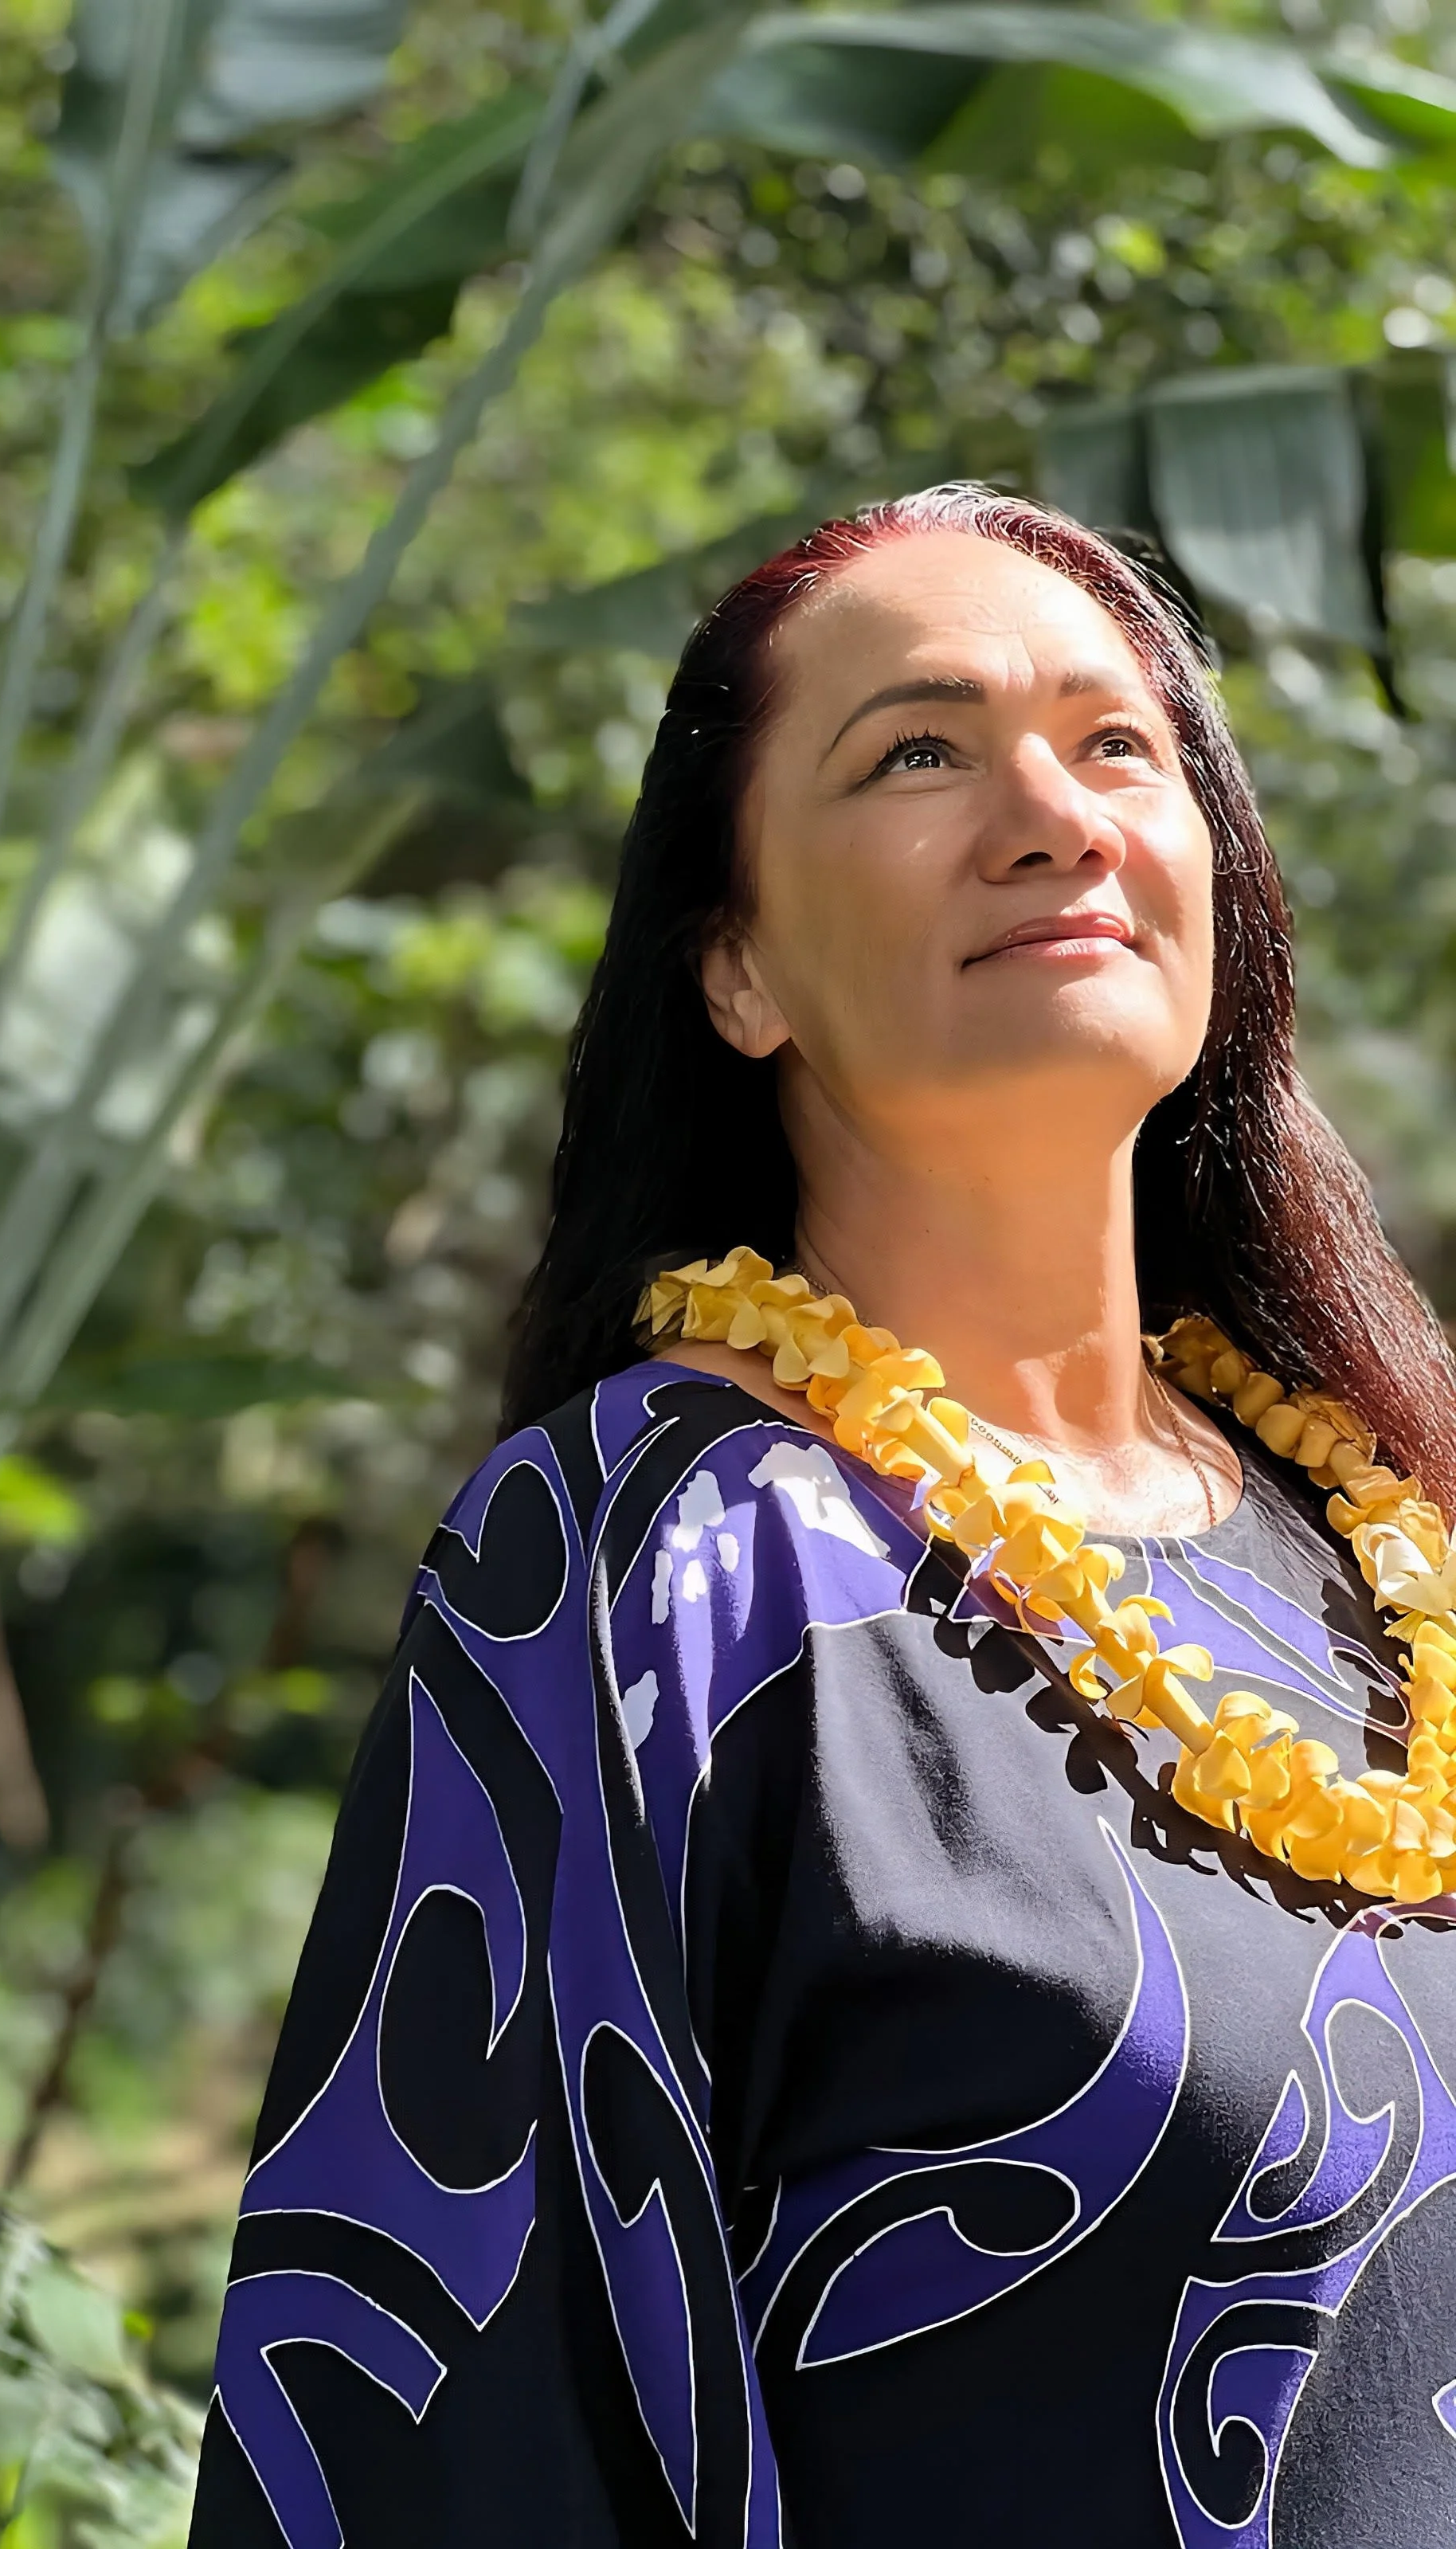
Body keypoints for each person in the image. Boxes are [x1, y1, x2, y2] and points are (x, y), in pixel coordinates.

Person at [186, 485, 1456, 2547]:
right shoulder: (651, 1568)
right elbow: (456, 2436)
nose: (1051, 812)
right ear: (741, 966)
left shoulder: (1395, 1564)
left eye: (1116, 742)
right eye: (920, 751)